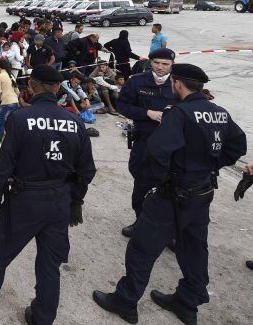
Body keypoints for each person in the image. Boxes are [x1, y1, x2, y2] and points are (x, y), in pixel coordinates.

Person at [93, 64, 246, 325]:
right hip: (203, 191)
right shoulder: (219, 112)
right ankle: (188, 302)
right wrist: (209, 166)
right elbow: (238, 145)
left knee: (142, 248)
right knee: (194, 248)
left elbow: (157, 152)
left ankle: (125, 301)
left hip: (174, 194)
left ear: (177, 84)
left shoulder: (180, 113)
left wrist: (157, 182)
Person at [0, 64, 96, 325]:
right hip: (59, 199)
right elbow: (87, 170)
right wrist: (75, 200)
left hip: (26, 199)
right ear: (58, 88)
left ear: (32, 87)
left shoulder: (20, 119)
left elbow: (4, 165)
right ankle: (42, 317)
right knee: (50, 265)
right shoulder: (76, 122)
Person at [116, 48, 177, 238]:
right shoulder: (136, 81)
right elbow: (122, 105)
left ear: (172, 65)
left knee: (170, 186)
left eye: (165, 64)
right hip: (144, 141)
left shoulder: (179, 84)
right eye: (157, 63)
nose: (160, 67)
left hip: (172, 145)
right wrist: (147, 113)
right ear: (150, 62)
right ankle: (141, 222)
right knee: (141, 181)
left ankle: (169, 231)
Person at [0, 58, 20, 146]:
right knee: (11, 124)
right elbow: (17, 91)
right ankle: (13, 144)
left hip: (7, 103)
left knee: (0, 123)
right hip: (15, 102)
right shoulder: (11, 75)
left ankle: (3, 145)